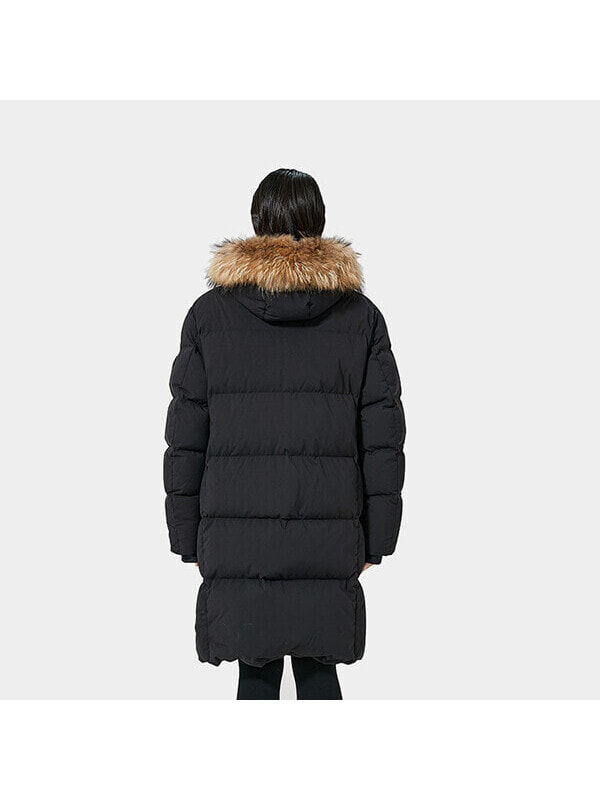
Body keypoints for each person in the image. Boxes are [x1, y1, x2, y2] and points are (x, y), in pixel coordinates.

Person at [164, 168, 406, 700]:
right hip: (331, 531)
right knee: (320, 675)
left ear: (257, 220)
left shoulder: (208, 316)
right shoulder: (361, 318)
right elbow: (383, 440)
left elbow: (186, 438)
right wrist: (379, 536)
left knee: (255, 676)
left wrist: (186, 535)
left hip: (235, 535)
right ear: (319, 221)